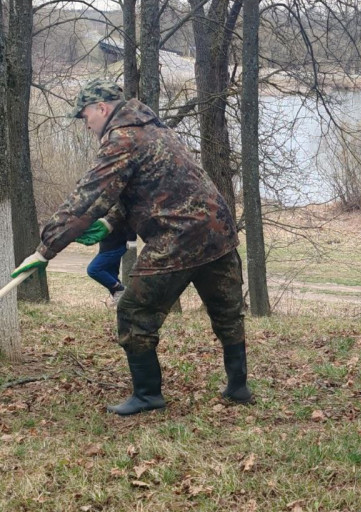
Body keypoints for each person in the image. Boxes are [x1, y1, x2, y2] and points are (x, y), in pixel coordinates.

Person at [11, 78, 252, 415]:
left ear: (101, 108)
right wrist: (111, 223)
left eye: (84, 116)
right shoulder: (155, 130)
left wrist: (44, 250)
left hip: (178, 238)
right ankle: (238, 387)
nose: (85, 124)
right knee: (227, 312)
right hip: (218, 232)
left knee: (134, 312)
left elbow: (87, 198)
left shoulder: (122, 139)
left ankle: (148, 395)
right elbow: (150, 188)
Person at [85, 225, 137, 306]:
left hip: (117, 245)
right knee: (111, 273)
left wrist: (132, 238)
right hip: (106, 246)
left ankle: (121, 289)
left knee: (93, 270)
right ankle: (124, 302)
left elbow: (128, 220)